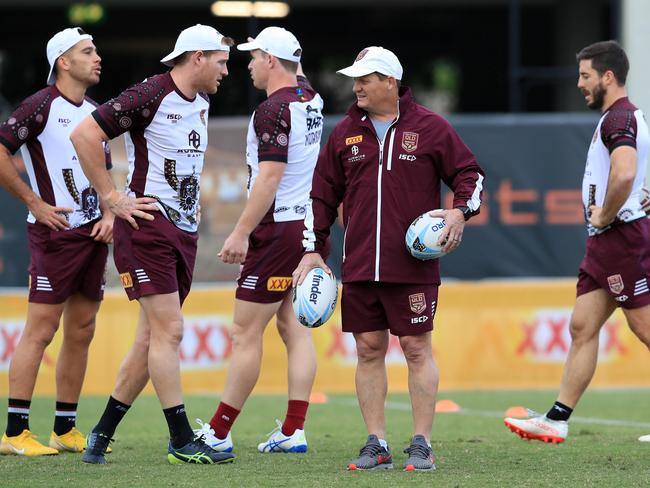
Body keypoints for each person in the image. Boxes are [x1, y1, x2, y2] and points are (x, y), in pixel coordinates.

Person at [292, 46, 484, 471]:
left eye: (366, 78)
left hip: (413, 266)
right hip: (359, 264)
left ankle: (422, 443)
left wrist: (459, 211)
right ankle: (376, 442)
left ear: (390, 82)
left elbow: (470, 174)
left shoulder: (431, 127)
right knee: (368, 349)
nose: (356, 86)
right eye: (355, 78)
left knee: (416, 348)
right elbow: (321, 197)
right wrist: (312, 249)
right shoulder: (344, 133)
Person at [70, 24, 235, 465]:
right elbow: (85, 136)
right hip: (148, 227)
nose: (226, 71)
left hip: (182, 233)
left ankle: (100, 436)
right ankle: (181, 439)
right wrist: (112, 197)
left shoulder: (201, 99)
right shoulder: (148, 94)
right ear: (197, 57)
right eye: (221, 61)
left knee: (151, 340)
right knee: (171, 331)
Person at [504, 40, 650, 444]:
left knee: (645, 328)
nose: (579, 83)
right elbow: (632, 177)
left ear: (607, 76)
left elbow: (623, 173)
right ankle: (557, 418)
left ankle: (557, 417)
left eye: (585, 75)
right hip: (607, 242)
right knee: (582, 326)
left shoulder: (618, 118)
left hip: (618, 237)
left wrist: (604, 213)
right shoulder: (623, 117)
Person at [194, 26, 326, 454]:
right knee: (292, 326)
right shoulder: (311, 98)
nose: (246, 64)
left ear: (271, 60)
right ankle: (293, 430)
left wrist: (240, 232)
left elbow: (269, 177)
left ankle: (217, 433)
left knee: (244, 332)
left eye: (253, 57)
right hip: (303, 225)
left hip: (276, 231)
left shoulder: (272, 110)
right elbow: (297, 67)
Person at [0, 27, 113, 457]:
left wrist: (108, 211)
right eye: (87, 51)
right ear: (63, 62)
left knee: (82, 330)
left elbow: (102, 169)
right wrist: (34, 201)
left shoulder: (98, 110)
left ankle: (64, 428)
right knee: (41, 331)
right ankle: (14, 433)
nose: (97, 56)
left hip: (93, 233)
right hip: (54, 235)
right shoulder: (39, 105)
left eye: (96, 50)